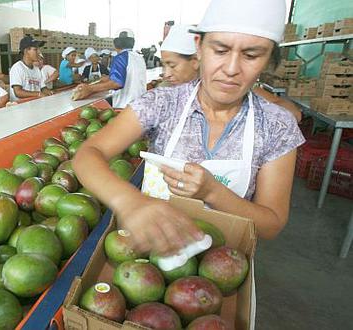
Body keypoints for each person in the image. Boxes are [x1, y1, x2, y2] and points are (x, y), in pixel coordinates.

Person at [73, 0, 305, 255]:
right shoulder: (162, 104)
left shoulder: (277, 126)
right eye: (220, 50)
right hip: (153, 257)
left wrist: (213, 191)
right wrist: (128, 201)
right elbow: (88, 153)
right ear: (199, 47)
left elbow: (270, 225)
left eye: (251, 55)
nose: (231, 69)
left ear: (269, 58)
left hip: (224, 265)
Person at [160, 25, 302, 121]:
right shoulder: (163, 94)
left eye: (172, 65)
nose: (166, 73)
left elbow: (294, 113)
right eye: (163, 65)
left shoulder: (233, 88)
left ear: (197, 58)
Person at [73, 29, 146, 109]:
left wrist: (90, 89)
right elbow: (130, 75)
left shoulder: (120, 58)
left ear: (115, 44)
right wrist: (109, 78)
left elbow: (117, 83)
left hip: (126, 106)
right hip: (140, 104)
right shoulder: (139, 57)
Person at [9, 35, 53, 101]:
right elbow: (18, 92)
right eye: (35, 49)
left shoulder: (36, 69)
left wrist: (49, 92)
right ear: (26, 51)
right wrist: (38, 94)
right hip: (20, 107)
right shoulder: (17, 68)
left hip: (34, 104)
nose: (39, 52)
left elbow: (42, 87)